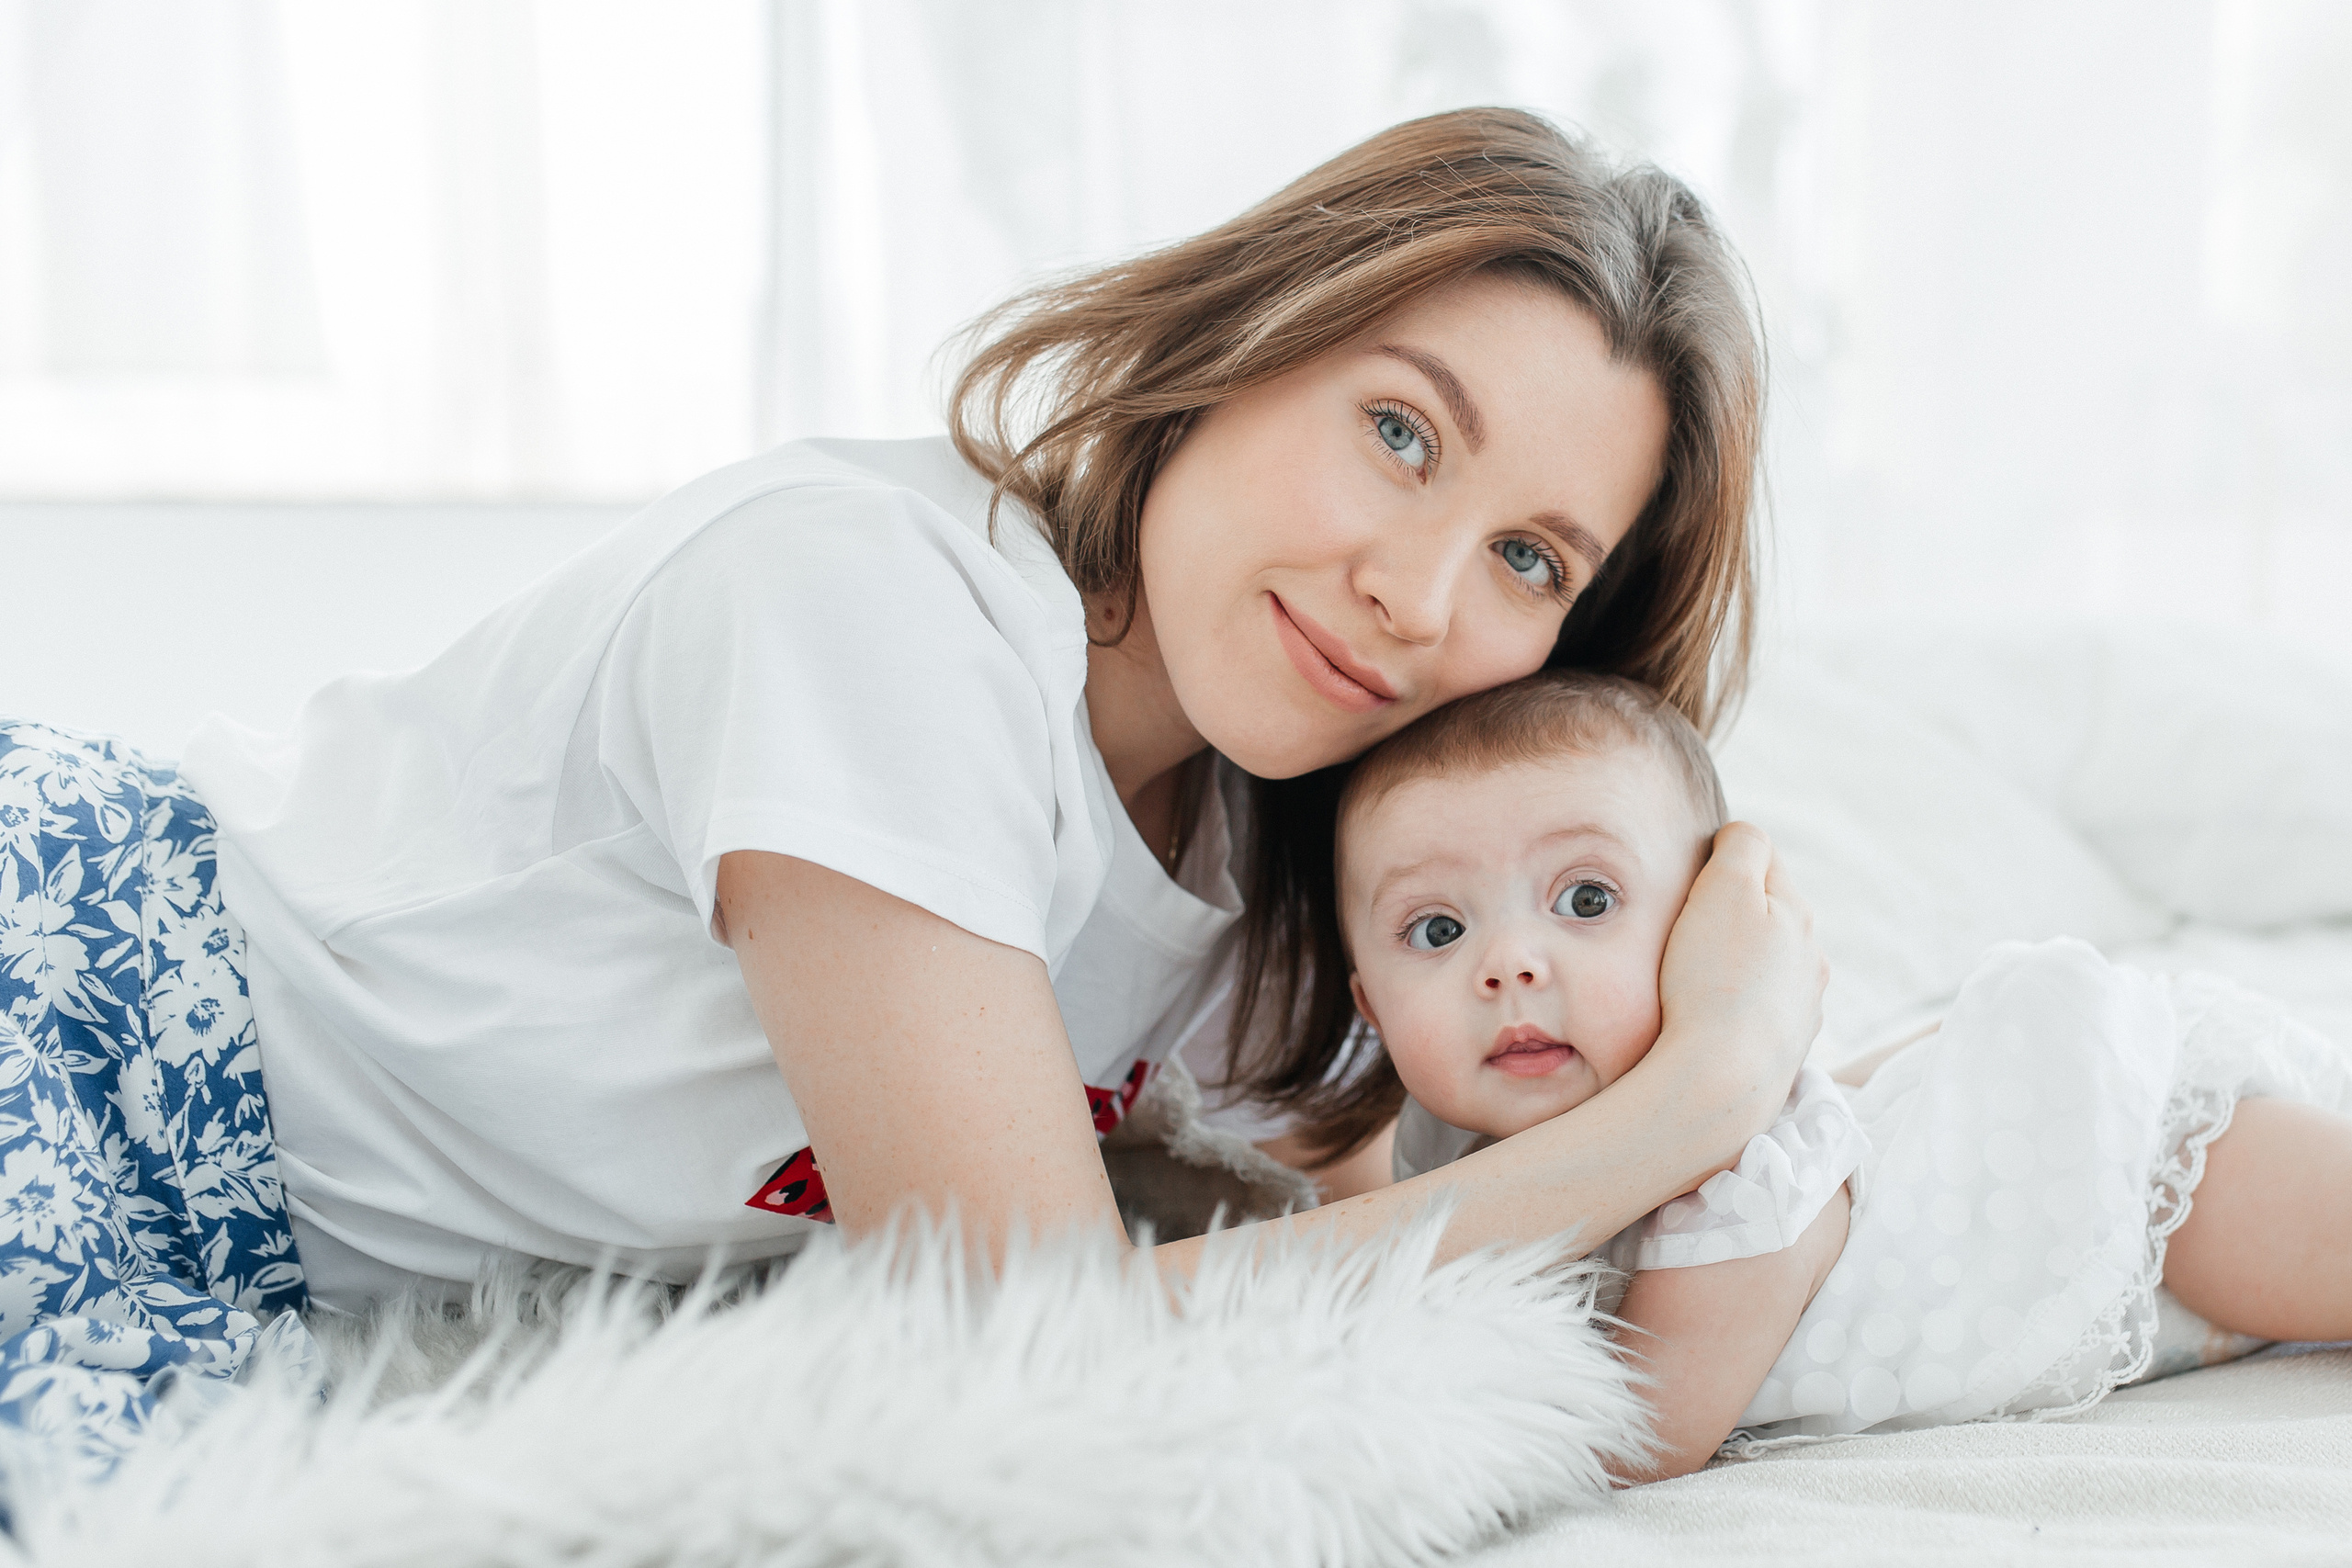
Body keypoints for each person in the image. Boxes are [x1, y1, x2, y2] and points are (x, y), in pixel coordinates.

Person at [0, 109, 1826, 1465]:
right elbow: (1030, 1337)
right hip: (81, 1018)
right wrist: (1703, 1094)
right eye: (1399, 431)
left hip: (257, 1278)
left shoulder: (1263, 840)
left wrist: (1791, 1107)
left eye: (1526, 557)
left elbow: (1427, 1196)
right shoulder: (874, 604)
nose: (1414, 595)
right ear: (1244, 339)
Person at [1347, 671, 2352, 1480]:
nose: (1508, 964)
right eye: (1436, 929)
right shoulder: (1442, 1156)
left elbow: (1641, 1434)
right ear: (1371, 1008)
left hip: (2110, 1166)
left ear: (1710, 930)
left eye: (1585, 900)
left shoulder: (1741, 1167)